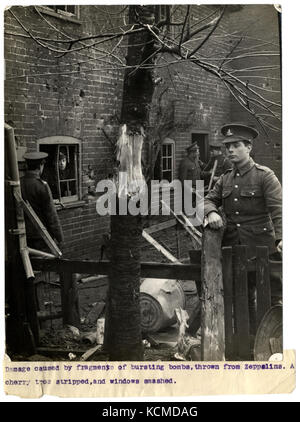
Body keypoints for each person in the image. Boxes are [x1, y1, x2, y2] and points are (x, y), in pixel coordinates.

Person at [204, 123, 282, 329]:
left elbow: (279, 210)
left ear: (249, 147)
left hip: (262, 248)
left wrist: (282, 238)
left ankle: (272, 340)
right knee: (241, 298)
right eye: (227, 146)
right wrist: (211, 211)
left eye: (236, 145)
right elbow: (208, 200)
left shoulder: (265, 176)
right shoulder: (225, 178)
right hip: (235, 249)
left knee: (273, 299)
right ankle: (245, 341)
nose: (230, 150)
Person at [21, 152, 64, 251]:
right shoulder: (42, 186)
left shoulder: (19, 183)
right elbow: (51, 215)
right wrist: (60, 238)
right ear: (41, 166)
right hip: (41, 237)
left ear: (27, 165)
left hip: (24, 236)